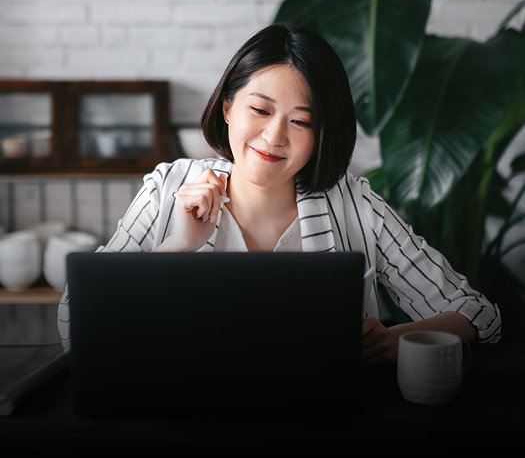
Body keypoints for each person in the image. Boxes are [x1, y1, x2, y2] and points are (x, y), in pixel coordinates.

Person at [57, 23, 501, 364]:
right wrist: (178, 246)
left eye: (301, 121)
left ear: (321, 134)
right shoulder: (168, 188)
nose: (274, 137)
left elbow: (478, 315)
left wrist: (392, 339)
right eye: (260, 109)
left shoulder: (354, 204)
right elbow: (76, 322)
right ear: (228, 107)